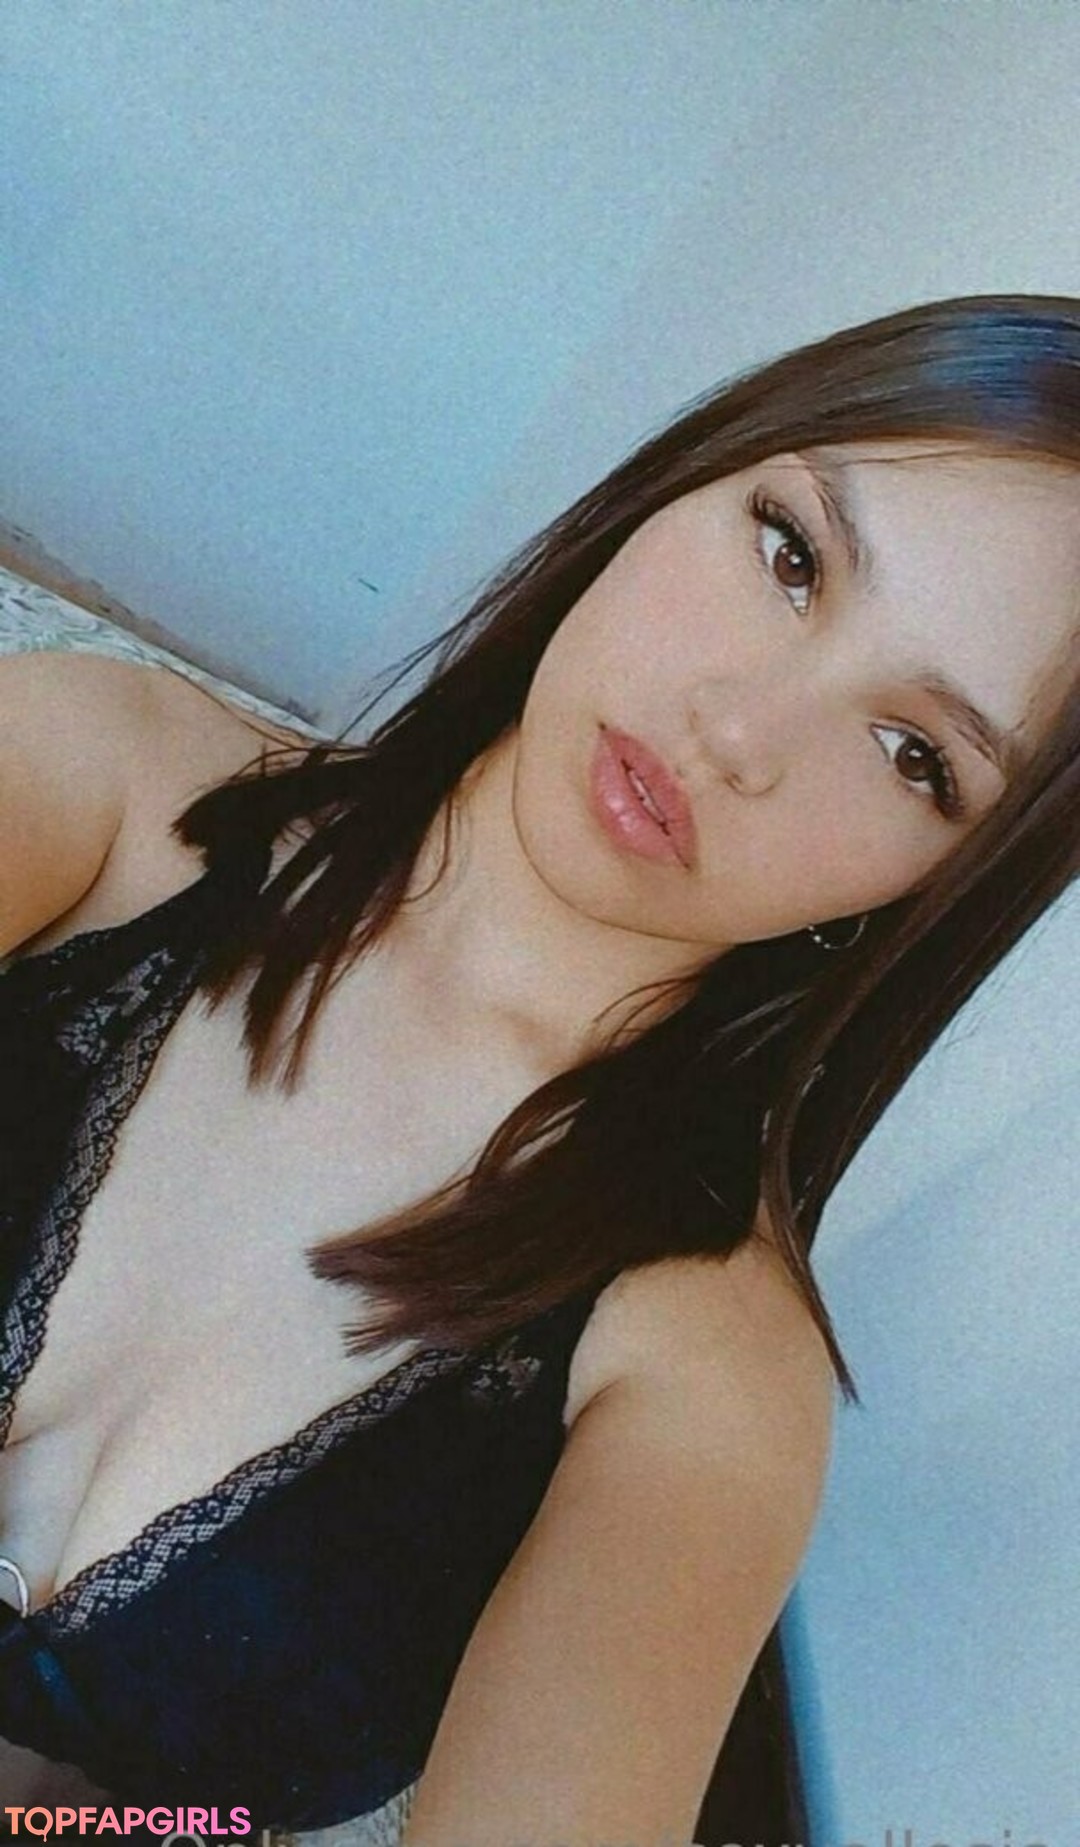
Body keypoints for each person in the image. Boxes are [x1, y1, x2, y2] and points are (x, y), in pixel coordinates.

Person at [1, 291, 1079, 1845]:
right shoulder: (98, 777)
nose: (739, 732)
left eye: (918, 756)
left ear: (938, 886)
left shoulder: (706, 1377)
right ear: (684, 480)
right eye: (792, 554)